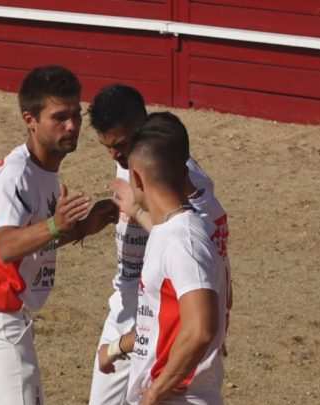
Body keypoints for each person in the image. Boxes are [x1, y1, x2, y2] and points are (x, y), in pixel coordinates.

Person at [0, 65, 118, 405]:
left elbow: (29, 240)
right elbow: (7, 246)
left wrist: (83, 226)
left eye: (76, 115)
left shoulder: (40, 171)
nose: (72, 126)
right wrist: (55, 225)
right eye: (59, 117)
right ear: (30, 120)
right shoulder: (17, 176)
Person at [87, 86, 231, 405]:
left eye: (120, 145)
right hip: (141, 306)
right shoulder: (148, 170)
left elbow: (200, 259)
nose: (115, 156)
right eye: (107, 147)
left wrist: (154, 394)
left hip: (170, 320)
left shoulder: (185, 193)